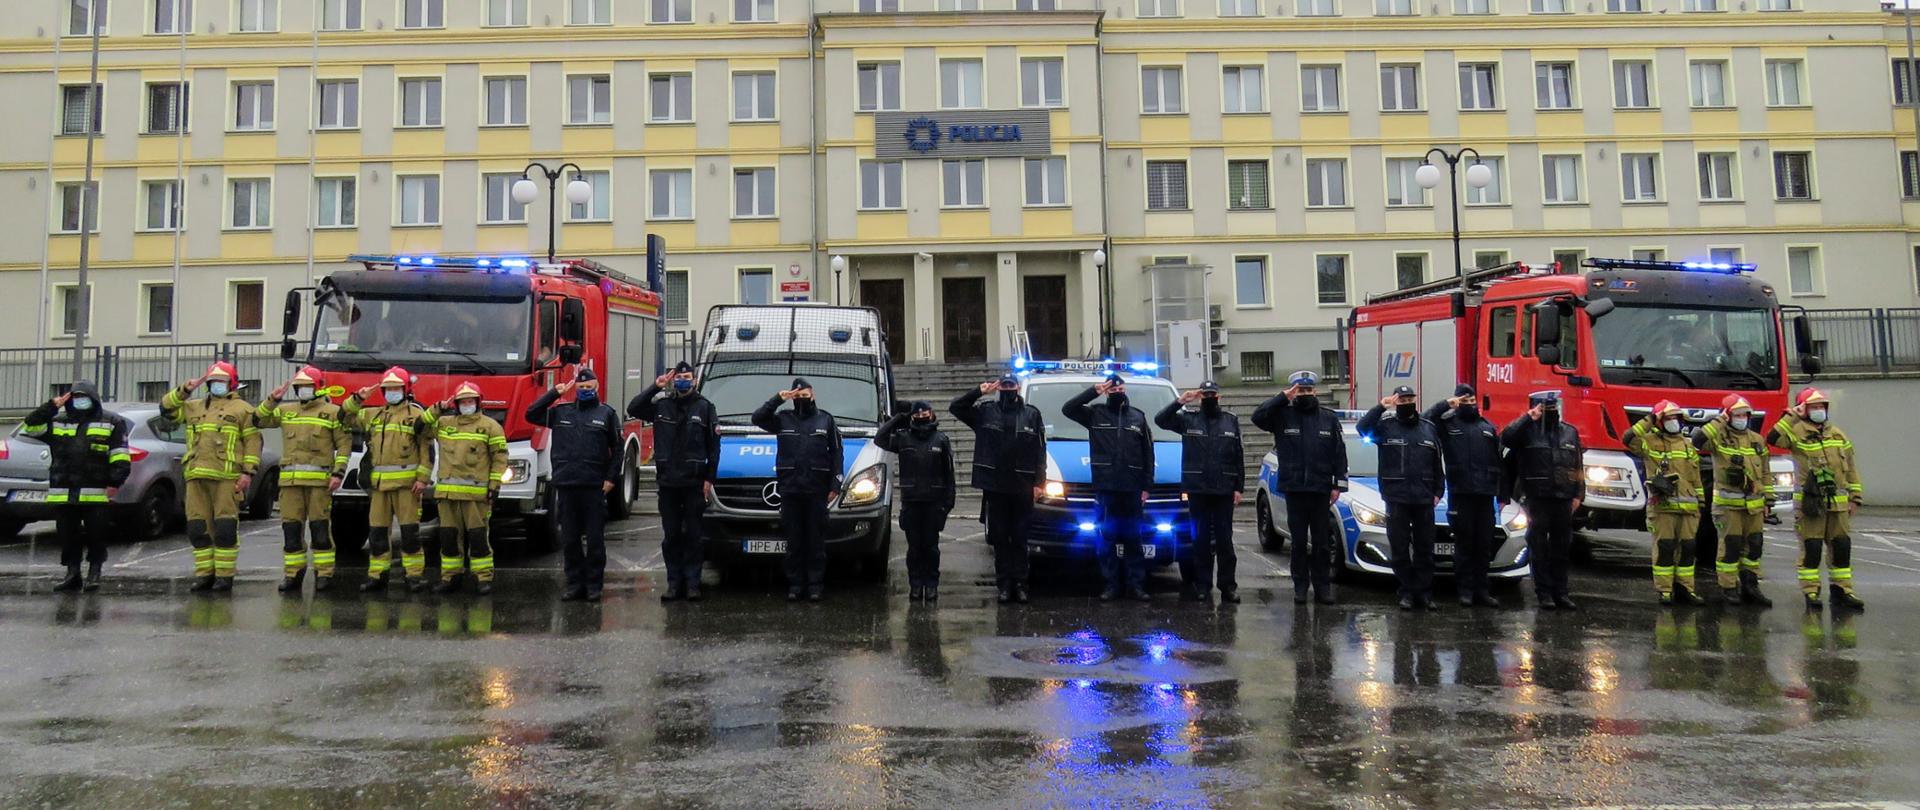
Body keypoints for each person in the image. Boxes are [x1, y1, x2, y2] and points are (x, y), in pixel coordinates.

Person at [160, 362, 261, 592]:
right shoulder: (194, 407)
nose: (216, 386)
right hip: (196, 475)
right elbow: (166, 409)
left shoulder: (243, 410)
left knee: (225, 529)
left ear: (231, 383)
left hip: (227, 477)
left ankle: (224, 577)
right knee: (197, 528)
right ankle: (205, 574)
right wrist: (183, 390)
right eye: (213, 382)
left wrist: (247, 473)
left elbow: (253, 444)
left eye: (221, 382)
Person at [21, 381, 129, 592]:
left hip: (95, 492)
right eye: (76, 397)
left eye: (84, 397)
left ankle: (94, 573)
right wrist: (51, 406)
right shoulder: (58, 421)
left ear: (93, 398)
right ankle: (72, 574)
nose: (80, 401)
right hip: (63, 491)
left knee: (96, 535)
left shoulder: (111, 422)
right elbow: (30, 426)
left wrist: (115, 482)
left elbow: (120, 456)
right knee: (67, 536)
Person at [527, 368, 625, 603]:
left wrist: (611, 478)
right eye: (581, 388)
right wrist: (554, 393)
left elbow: (618, 449)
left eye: (589, 388)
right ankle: (574, 585)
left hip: (593, 487)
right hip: (567, 485)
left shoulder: (606, 414)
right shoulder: (561, 412)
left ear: (597, 387)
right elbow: (531, 414)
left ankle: (594, 586)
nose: (585, 391)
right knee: (570, 540)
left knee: (594, 541)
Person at [1251, 370, 1349, 605]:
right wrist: (1282, 397)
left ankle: (1322, 587)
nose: (1305, 394)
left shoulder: (1328, 418)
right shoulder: (1282, 415)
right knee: (1297, 543)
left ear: (1315, 391)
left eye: (1308, 390)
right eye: (1300, 390)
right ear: (1293, 392)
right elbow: (1257, 417)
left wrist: (1338, 485)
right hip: (1294, 489)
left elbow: (1339, 454)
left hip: (1320, 489)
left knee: (1322, 543)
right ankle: (1300, 587)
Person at [628, 361, 721, 603]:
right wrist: (655, 387)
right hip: (668, 483)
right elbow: (634, 408)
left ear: (694, 380)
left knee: (693, 535)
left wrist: (709, 478)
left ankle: (692, 584)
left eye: (687, 377)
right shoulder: (662, 406)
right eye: (679, 377)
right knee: (671, 536)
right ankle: (673, 584)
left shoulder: (705, 408)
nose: (683, 380)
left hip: (693, 483)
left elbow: (714, 447)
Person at [950, 373, 1046, 603]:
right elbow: (956, 408)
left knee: (1021, 540)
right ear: (999, 388)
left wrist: (1039, 482)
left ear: (1018, 387)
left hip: (1022, 486)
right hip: (995, 486)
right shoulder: (985, 412)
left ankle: (1021, 585)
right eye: (1004, 385)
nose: (1008, 389)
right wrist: (979, 391)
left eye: (1011, 385)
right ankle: (1004, 585)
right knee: (1001, 540)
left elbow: (1040, 450)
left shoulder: (1031, 414)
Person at [1769, 388, 1866, 611]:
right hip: (1811, 504)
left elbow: (1850, 468)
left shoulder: (1838, 434)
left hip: (1839, 505)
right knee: (1811, 549)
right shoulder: (1795, 432)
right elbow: (1773, 438)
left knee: (1841, 547)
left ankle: (1843, 590)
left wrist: (1856, 497)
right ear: (1804, 410)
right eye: (1813, 407)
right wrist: (1792, 414)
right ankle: (1811, 591)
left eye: (1822, 406)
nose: (1819, 410)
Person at [255, 367, 350, 593]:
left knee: (320, 531)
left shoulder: (333, 412)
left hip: (320, 485)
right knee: (291, 531)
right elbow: (258, 420)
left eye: (307, 386)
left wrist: (338, 473)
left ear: (317, 388)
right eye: (299, 387)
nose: (302, 391)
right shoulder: (286, 411)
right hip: (290, 486)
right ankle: (293, 574)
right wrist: (272, 399)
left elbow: (344, 446)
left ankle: (324, 575)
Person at [1063, 373, 1154, 603]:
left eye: (1119, 389)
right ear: (1106, 392)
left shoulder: (1138, 417)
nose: (1116, 392)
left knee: (1134, 539)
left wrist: (1146, 486)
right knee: (1107, 539)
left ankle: (1136, 586)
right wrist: (1094, 391)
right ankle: (1111, 585)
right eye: (1111, 390)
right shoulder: (1095, 414)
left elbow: (1148, 455)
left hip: (1132, 488)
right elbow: (1068, 408)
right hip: (1106, 487)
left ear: (1125, 390)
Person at [344, 367, 436, 593]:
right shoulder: (372, 414)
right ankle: (377, 575)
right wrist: (357, 399)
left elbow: (427, 450)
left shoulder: (417, 416)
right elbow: (344, 419)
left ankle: (413, 577)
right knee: (377, 533)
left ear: (406, 390)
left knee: (410, 534)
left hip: (408, 487)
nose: (391, 392)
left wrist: (423, 479)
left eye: (396, 388)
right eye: (388, 389)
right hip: (379, 487)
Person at [752, 378, 843, 602]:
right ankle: (795, 585)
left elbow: (837, 453)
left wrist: (835, 484)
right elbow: (757, 418)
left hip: (816, 490)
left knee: (815, 541)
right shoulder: (783, 419)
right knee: (794, 542)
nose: (802, 398)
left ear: (813, 395)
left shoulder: (826, 420)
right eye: (798, 395)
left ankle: (814, 585)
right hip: (791, 489)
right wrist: (777, 399)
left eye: (805, 394)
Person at [1154, 380, 1244, 603]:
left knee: (1225, 542)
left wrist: (1238, 487)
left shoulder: (1230, 421)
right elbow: (1160, 420)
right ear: (1200, 397)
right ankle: (1202, 585)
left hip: (1223, 489)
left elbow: (1238, 456)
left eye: (1212, 394)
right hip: (1198, 489)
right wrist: (1180, 401)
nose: (1209, 398)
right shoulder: (1188, 419)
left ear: (1219, 397)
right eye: (1205, 395)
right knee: (1200, 541)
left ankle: (1228, 586)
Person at [1358, 385, 1446, 611]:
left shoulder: (1428, 429)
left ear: (1416, 399)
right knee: (1399, 549)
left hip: (1424, 498)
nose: (1407, 402)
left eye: (1410, 398)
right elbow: (1362, 428)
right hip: (1396, 498)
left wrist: (1438, 491)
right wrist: (1380, 407)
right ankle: (1407, 591)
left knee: (1425, 549)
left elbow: (1436, 463)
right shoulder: (1385, 427)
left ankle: (1424, 594)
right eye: (1403, 398)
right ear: (1397, 401)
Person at [1502, 390, 1586, 611]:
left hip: (1563, 498)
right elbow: (1507, 437)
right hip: (1538, 498)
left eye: (1553, 406)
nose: (1551, 411)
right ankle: (1544, 593)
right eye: (1545, 407)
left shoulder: (1569, 432)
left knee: (1561, 549)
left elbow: (1578, 466)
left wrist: (1578, 494)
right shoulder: (1527, 432)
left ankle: (1562, 592)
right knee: (1539, 548)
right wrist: (1529, 417)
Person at [1425, 384, 1504, 609]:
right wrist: (1447, 404)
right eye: (1464, 402)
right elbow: (1426, 419)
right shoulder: (1447, 425)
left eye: (1472, 401)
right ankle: (1465, 591)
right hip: (1461, 494)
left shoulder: (1487, 427)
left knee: (1483, 545)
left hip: (1485, 495)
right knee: (1464, 545)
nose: (1469, 405)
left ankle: (1482, 590)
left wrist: (1501, 492)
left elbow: (1498, 462)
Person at [874, 401, 957, 603]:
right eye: (917, 414)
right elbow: (880, 438)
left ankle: (931, 585)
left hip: (933, 504)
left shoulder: (941, 439)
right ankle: (916, 585)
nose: (922, 417)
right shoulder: (903, 438)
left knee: (931, 547)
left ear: (932, 413)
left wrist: (947, 505)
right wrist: (899, 418)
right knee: (914, 548)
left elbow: (949, 476)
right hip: (911, 503)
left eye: (925, 413)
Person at [1694, 395, 1772, 607]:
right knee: (1730, 546)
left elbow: (1765, 472)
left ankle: (1750, 586)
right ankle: (1728, 588)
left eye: (1744, 414)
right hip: (1728, 507)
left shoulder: (1757, 440)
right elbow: (1697, 441)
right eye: (1736, 414)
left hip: (1754, 507)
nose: (1742, 418)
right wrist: (1720, 419)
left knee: (1754, 547)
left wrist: (1769, 501)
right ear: (1728, 416)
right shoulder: (1718, 438)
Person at [1627, 400, 1707, 606]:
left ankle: (1685, 589)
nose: (1673, 422)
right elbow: (1628, 438)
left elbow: (1695, 477)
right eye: (1668, 418)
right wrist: (1650, 419)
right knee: (1665, 548)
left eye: (1676, 418)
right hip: (1663, 508)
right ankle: (1665, 590)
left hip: (1688, 509)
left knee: (1688, 549)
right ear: (1660, 421)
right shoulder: (1648, 442)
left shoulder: (1688, 445)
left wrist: (1700, 503)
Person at [431, 381, 508, 595]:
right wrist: (439, 406)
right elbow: (420, 426)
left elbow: (500, 458)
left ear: (477, 402)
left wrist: (494, 485)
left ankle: (483, 578)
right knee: (448, 538)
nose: (466, 404)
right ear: (456, 404)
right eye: (462, 401)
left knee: (478, 537)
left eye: (470, 401)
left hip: (476, 496)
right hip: (447, 495)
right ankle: (450, 577)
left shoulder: (491, 426)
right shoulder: (444, 423)